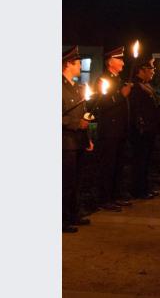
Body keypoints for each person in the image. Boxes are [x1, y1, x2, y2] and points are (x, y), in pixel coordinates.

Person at [94, 46, 133, 212]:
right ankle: (105, 198)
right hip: (109, 130)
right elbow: (101, 103)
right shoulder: (103, 80)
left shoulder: (118, 79)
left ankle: (116, 195)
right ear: (110, 62)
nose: (123, 63)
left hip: (120, 129)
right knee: (108, 165)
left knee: (118, 164)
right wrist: (120, 95)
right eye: (119, 59)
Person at [62, 46, 92, 233]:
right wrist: (75, 123)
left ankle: (73, 214)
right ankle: (62, 219)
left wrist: (88, 138)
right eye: (78, 63)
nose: (81, 66)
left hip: (78, 141)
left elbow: (83, 114)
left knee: (76, 182)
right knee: (65, 182)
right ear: (68, 64)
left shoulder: (77, 87)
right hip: (66, 142)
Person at [128, 57, 160, 199]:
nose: (153, 71)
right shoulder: (135, 87)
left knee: (146, 160)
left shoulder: (145, 85)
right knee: (140, 160)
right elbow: (136, 109)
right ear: (142, 70)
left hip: (149, 129)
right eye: (151, 68)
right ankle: (138, 190)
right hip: (141, 130)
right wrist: (141, 125)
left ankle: (145, 187)